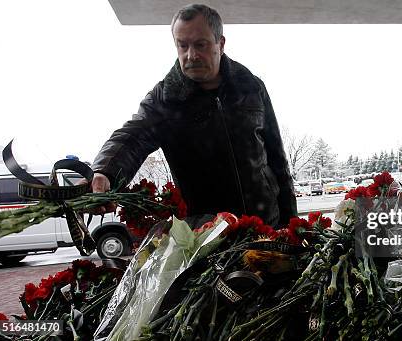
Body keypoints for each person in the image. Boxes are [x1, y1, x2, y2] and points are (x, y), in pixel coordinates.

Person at [90, 4, 297, 227]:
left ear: (221, 43)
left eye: (201, 45)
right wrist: (104, 172)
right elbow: (132, 137)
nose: (191, 55)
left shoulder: (252, 87)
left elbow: (277, 160)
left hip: (265, 225)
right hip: (205, 236)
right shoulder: (165, 99)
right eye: (183, 45)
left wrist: (292, 226)